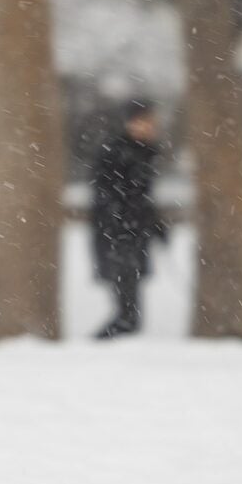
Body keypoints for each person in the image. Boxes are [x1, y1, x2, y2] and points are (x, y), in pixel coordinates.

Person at [89, 99, 169, 339]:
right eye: (142, 122)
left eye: (151, 122)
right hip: (117, 235)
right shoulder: (116, 152)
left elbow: (143, 198)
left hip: (133, 235)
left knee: (130, 308)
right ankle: (99, 351)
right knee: (127, 313)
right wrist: (123, 223)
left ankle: (114, 349)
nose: (148, 127)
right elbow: (108, 196)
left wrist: (155, 225)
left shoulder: (146, 153)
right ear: (130, 123)